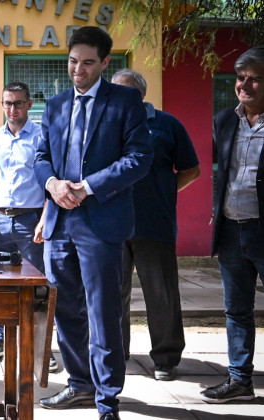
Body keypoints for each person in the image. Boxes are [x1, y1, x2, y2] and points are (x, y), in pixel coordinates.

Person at [33, 26, 153, 420]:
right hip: (58, 225)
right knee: (65, 310)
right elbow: (40, 158)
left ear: (104, 62)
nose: (77, 70)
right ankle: (80, 385)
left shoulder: (126, 102)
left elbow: (139, 159)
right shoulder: (54, 105)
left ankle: (107, 400)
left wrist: (86, 187)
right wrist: (52, 184)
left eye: (87, 63)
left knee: (102, 313)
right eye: (72, 62)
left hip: (101, 222)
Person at [111, 69, 201, 381]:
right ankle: (115, 355)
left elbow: (191, 169)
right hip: (111, 225)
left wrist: (163, 191)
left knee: (161, 294)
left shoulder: (166, 125)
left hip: (155, 224)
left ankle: (165, 359)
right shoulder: (105, 125)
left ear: (139, 95)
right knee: (112, 294)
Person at [0, 82, 52, 367]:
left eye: (18, 103)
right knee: (0, 283)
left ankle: (42, 346)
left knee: (37, 285)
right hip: (0, 221)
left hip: (31, 220)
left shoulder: (43, 136)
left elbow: (49, 183)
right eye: (7, 103)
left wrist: (44, 219)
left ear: (29, 105)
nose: (12, 109)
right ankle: (0, 339)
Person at [205, 45, 264, 404]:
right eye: (241, 78)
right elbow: (220, 172)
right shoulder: (224, 120)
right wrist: (217, 209)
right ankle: (239, 379)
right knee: (236, 309)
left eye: (255, 79)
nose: (245, 85)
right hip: (230, 228)